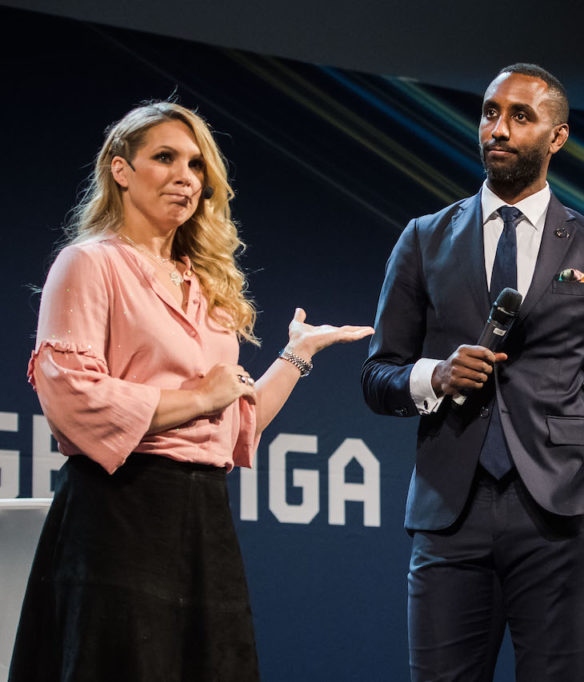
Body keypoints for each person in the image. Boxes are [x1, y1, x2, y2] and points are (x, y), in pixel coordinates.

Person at [10, 101, 373, 681]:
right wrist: (201, 396)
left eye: (196, 165)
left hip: (204, 519)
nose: (186, 177)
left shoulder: (204, 288)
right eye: (165, 158)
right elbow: (72, 399)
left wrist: (296, 355)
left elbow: (235, 422)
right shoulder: (88, 263)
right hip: (119, 511)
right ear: (120, 168)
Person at [361, 64, 584, 680]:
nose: (498, 129)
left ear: (557, 138)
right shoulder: (423, 239)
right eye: (490, 113)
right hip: (450, 516)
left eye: (520, 116)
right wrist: (434, 376)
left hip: (561, 518)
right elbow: (378, 375)